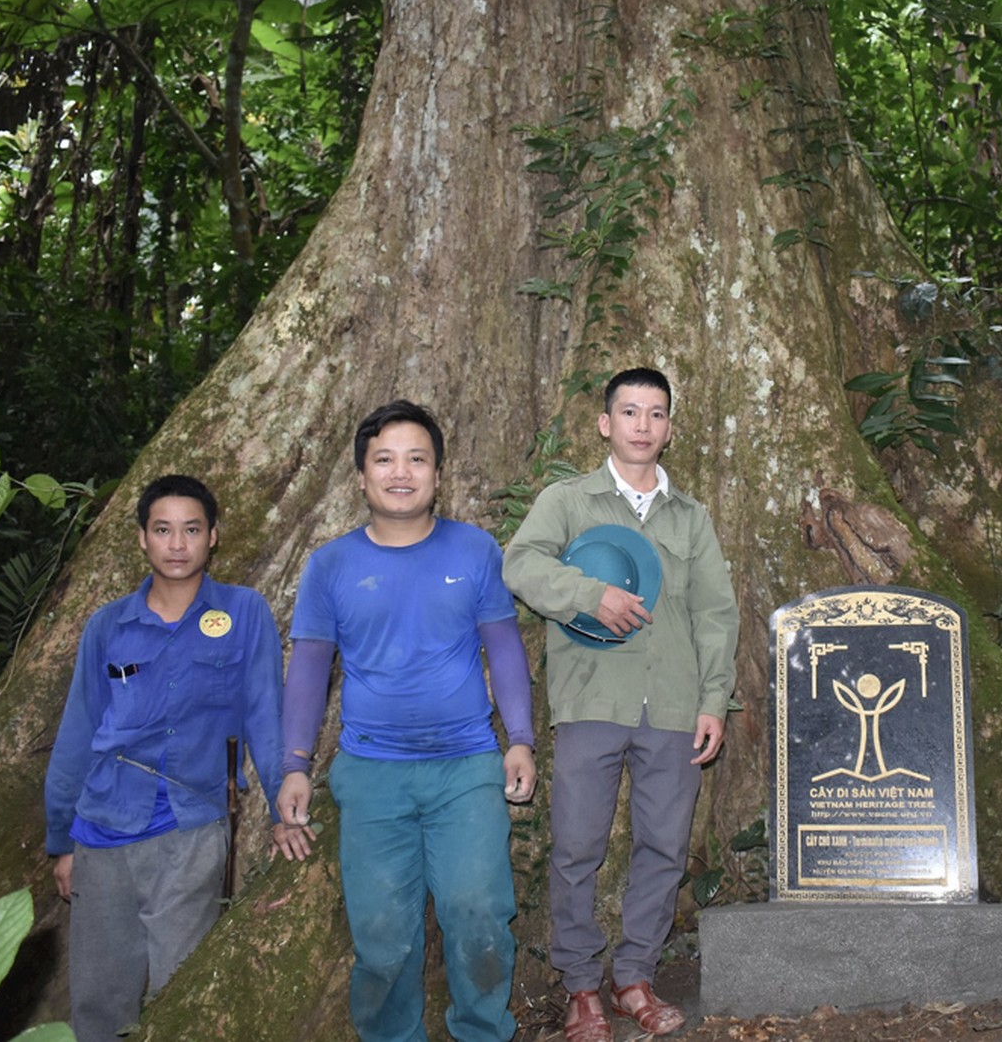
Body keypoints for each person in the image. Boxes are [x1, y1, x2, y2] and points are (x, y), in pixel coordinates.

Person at [275, 400, 536, 1042]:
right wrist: (293, 764)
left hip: (467, 768)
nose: (401, 472)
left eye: (417, 459)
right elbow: (309, 668)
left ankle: (481, 1031)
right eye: (384, 459)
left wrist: (522, 740)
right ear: (361, 477)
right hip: (371, 775)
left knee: (478, 915)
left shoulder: (474, 549)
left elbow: (503, 649)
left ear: (438, 474)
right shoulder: (331, 565)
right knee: (384, 942)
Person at [502, 367, 739, 1042]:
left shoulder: (689, 516)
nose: (642, 424)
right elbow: (520, 563)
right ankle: (581, 987)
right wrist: (587, 594)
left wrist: (713, 699)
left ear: (669, 426)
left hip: (673, 707)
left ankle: (634, 974)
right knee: (577, 846)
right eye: (629, 411)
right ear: (605, 423)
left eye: (656, 413)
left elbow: (716, 613)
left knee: (663, 846)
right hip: (591, 702)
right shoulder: (569, 499)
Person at [44, 474, 312, 1042]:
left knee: (180, 993)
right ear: (143, 539)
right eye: (162, 530)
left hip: (191, 830)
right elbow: (78, 732)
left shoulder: (244, 613)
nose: (177, 544)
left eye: (191, 530)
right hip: (102, 832)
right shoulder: (109, 626)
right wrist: (60, 840)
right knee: (98, 1002)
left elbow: (265, 713)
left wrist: (288, 802)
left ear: (213, 536)